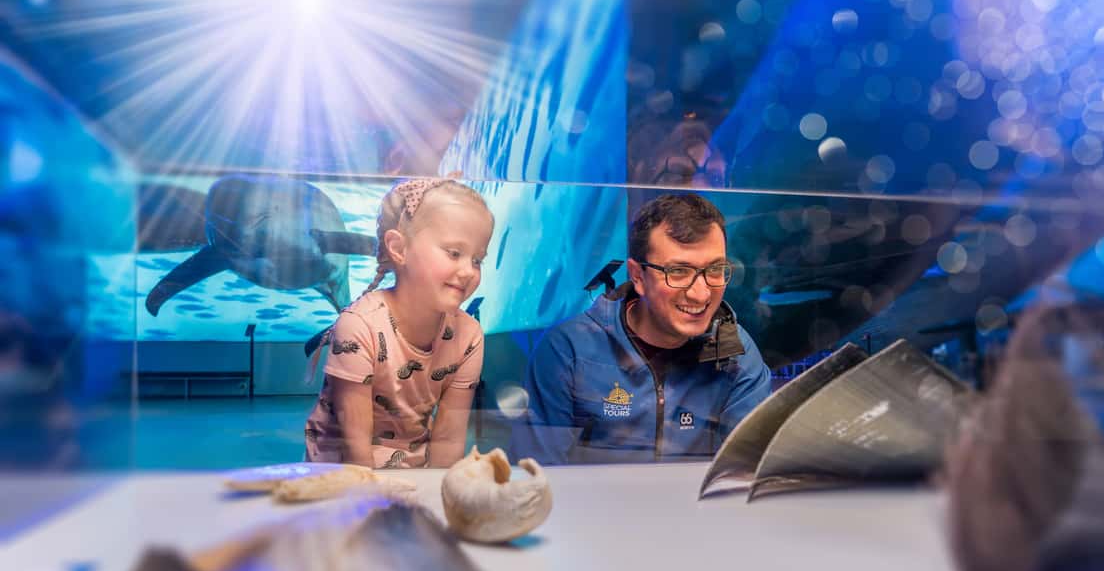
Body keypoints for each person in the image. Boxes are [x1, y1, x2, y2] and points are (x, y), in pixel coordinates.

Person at [512, 193, 771, 464]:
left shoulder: (737, 353)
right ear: (638, 276)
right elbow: (535, 475)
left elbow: (748, 470)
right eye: (678, 272)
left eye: (715, 270)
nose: (701, 294)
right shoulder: (568, 352)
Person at [305, 178, 493, 469]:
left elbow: (448, 441)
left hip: (413, 471)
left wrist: (439, 490)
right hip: (340, 472)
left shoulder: (469, 336)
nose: (468, 271)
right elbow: (355, 452)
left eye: (477, 260)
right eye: (455, 253)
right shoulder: (359, 326)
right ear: (399, 248)